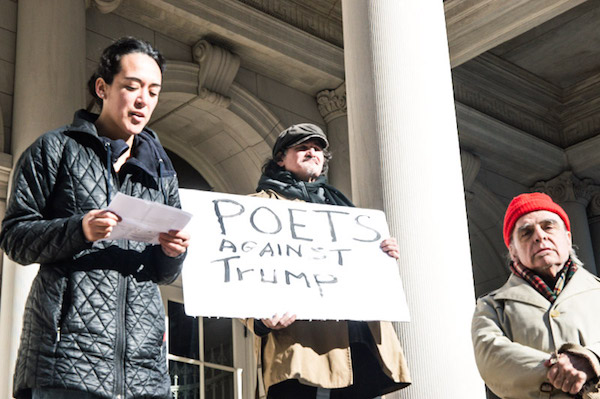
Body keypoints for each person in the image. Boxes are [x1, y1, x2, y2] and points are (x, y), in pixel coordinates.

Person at [0, 37, 190, 399]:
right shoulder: (54, 149)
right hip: (65, 362)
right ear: (102, 87)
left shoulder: (162, 171)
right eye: (132, 87)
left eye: (153, 91)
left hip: (143, 370)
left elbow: (165, 274)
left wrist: (173, 252)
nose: (143, 100)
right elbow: (15, 238)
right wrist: (80, 229)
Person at [245, 123, 411, 399]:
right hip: (301, 349)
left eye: (318, 148)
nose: (313, 152)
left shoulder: (346, 210)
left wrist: (382, 254)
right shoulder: (258, 207)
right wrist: (259, 320)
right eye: (302, 147)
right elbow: (236, 270)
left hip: (361, 345)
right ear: (280, 159)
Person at [471, 192, 600, 399]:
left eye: (548, 226)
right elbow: (492, 358)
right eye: (526, 233)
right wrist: (558, 369)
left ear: (568, 239)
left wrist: (590, 359)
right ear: (513, 251)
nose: (539, 236)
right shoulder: (491, 306)